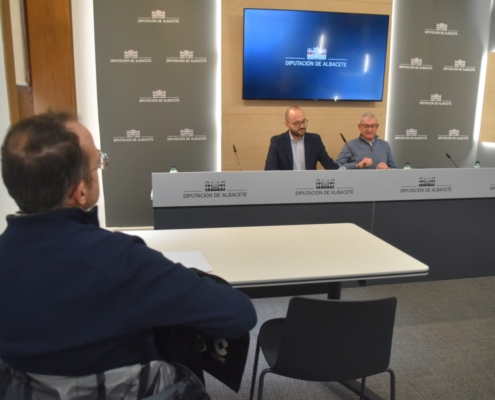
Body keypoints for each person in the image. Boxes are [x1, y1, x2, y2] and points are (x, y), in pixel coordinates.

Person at [0, 112, 257, 398]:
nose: (100, 167)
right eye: (98, 163)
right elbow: (239, 314)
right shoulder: (120, 261)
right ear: (80, 191)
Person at [264, 106, 339, 170]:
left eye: (303, 121)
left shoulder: (315, 140)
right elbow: (270, 169)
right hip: (286, 185)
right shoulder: (277, 141)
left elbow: (330, 165)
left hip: (309, 185)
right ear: (287, 124)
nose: (302, 126)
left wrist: (344, 171)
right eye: (297, 123)